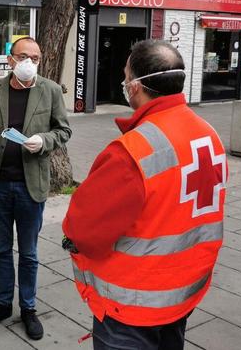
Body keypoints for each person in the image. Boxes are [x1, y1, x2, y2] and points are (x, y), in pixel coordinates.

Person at [62, 40, 227, 350]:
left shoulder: (132, 152)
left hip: (134, 304)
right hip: (185, 291)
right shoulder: (208, 133)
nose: (124, 83)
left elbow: (82, 229)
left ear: (135, 87)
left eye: (126, 76)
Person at [0, 37, 71, 340]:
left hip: (31, 184)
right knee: (1, 249)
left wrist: (45, 141)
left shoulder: (50, 90)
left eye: (35, 58)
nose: (29, 62)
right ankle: (2, 303)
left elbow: (63, 129)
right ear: (9, 60)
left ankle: (28, 307)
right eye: (23, 56)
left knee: (28, 253)